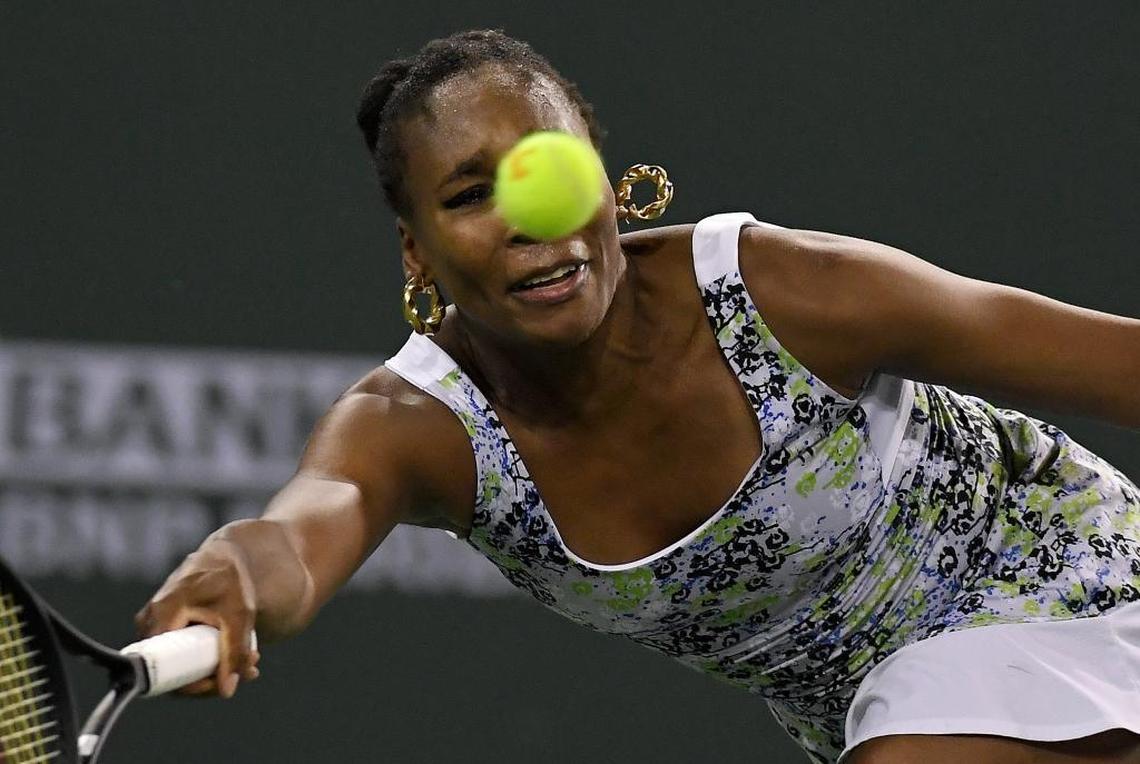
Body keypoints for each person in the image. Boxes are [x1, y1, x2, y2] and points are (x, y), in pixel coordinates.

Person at [135, 29, 1140, 763]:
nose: (528, 219)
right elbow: (307, 530)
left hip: (1076, 599)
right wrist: (237, 564)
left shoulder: (786, 292)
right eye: (466, 195)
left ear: (610, 185)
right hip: (881, 717)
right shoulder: (416, 427)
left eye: (545, 168)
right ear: (418, 251)